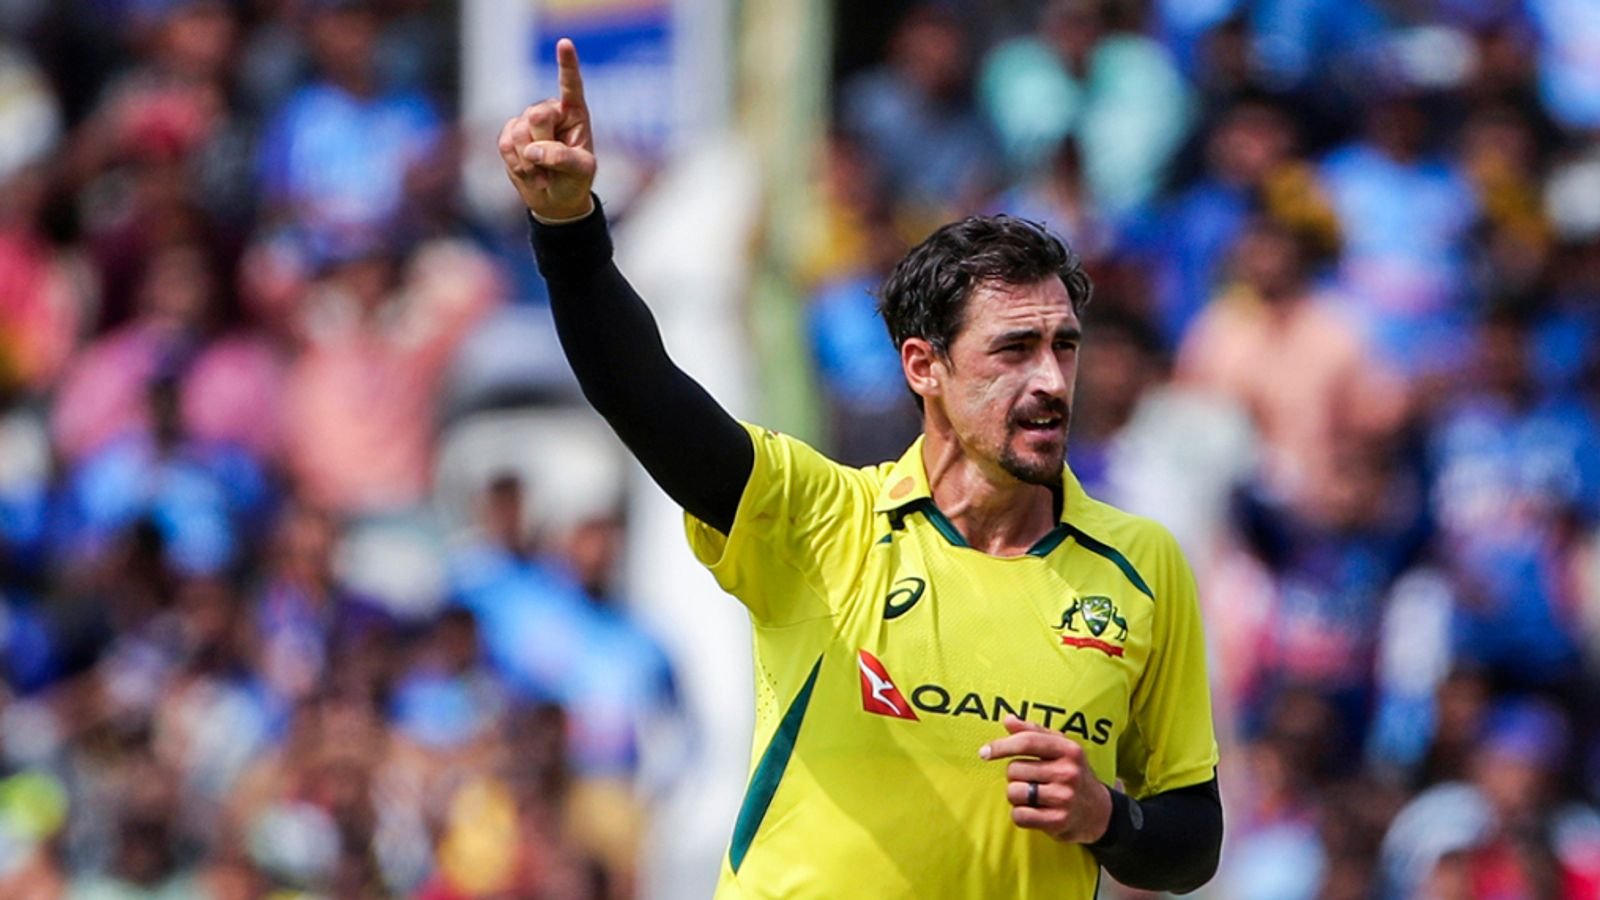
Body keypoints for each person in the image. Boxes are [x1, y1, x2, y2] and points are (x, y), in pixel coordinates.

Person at [498, 39, 1222, 897]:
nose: (1050, 380)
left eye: (1065, 348)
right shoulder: (821, 518)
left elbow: (1193, 837)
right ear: (925, 367)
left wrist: (1107, 815)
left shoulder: (1142, 567)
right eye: (1014, 349)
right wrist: (570, 229)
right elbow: (642, 395)